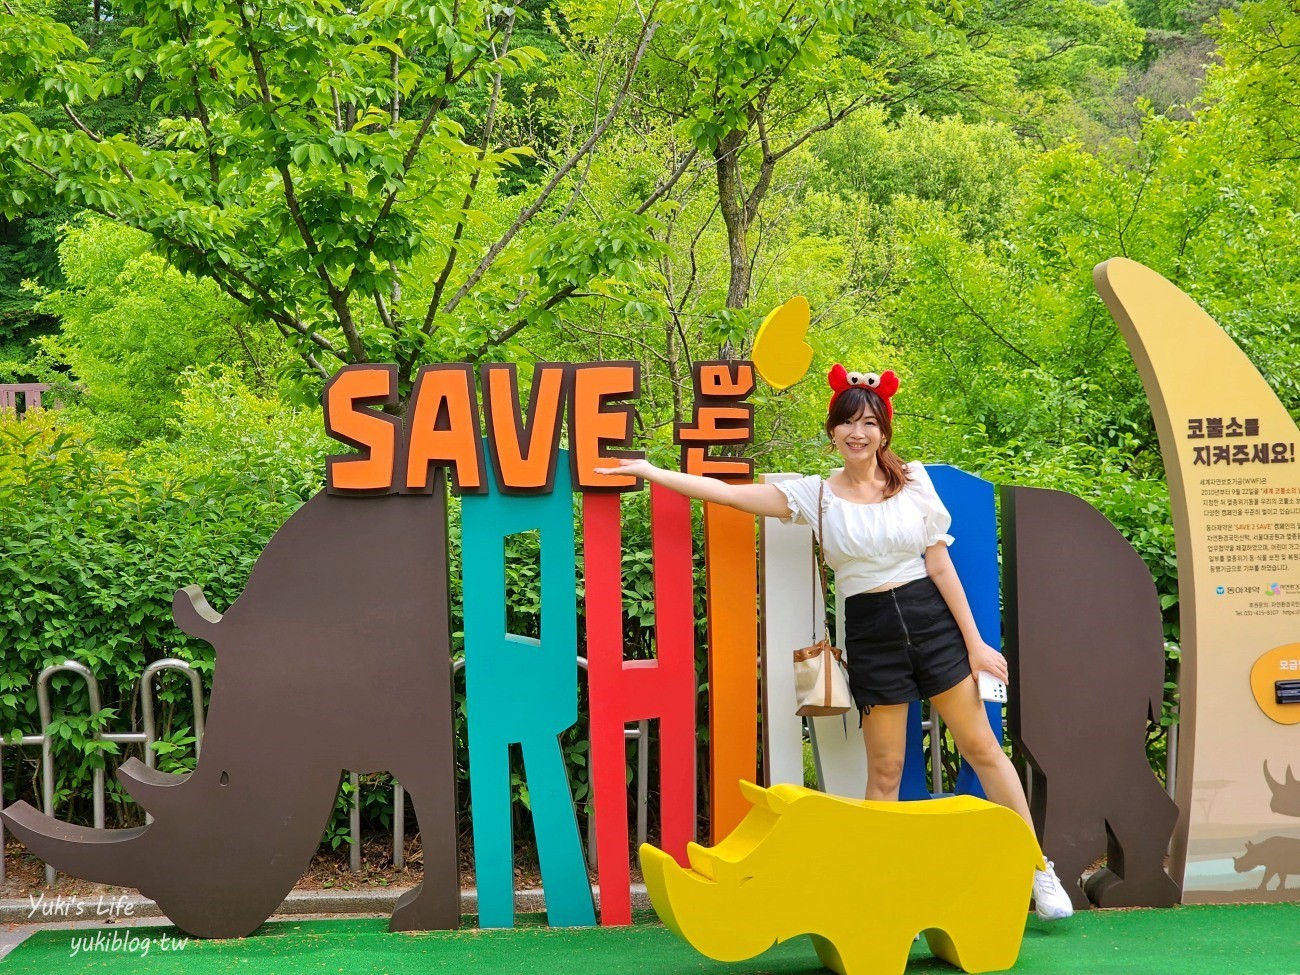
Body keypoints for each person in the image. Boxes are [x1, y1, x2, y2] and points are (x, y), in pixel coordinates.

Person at [595, 364, 1075, 922]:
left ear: (884, 432)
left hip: (932, 623)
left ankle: (1039, 868)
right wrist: (654, 471)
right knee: (885, 772)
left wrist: (974, 645)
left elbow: (941, 567)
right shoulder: (815, 497)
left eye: (870, 423)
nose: (859, 433)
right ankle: (880, 894)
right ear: (832, 432)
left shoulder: (913, 483)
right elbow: (728, 495)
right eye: (849, 423)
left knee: (983, 749)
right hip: (870, 634)